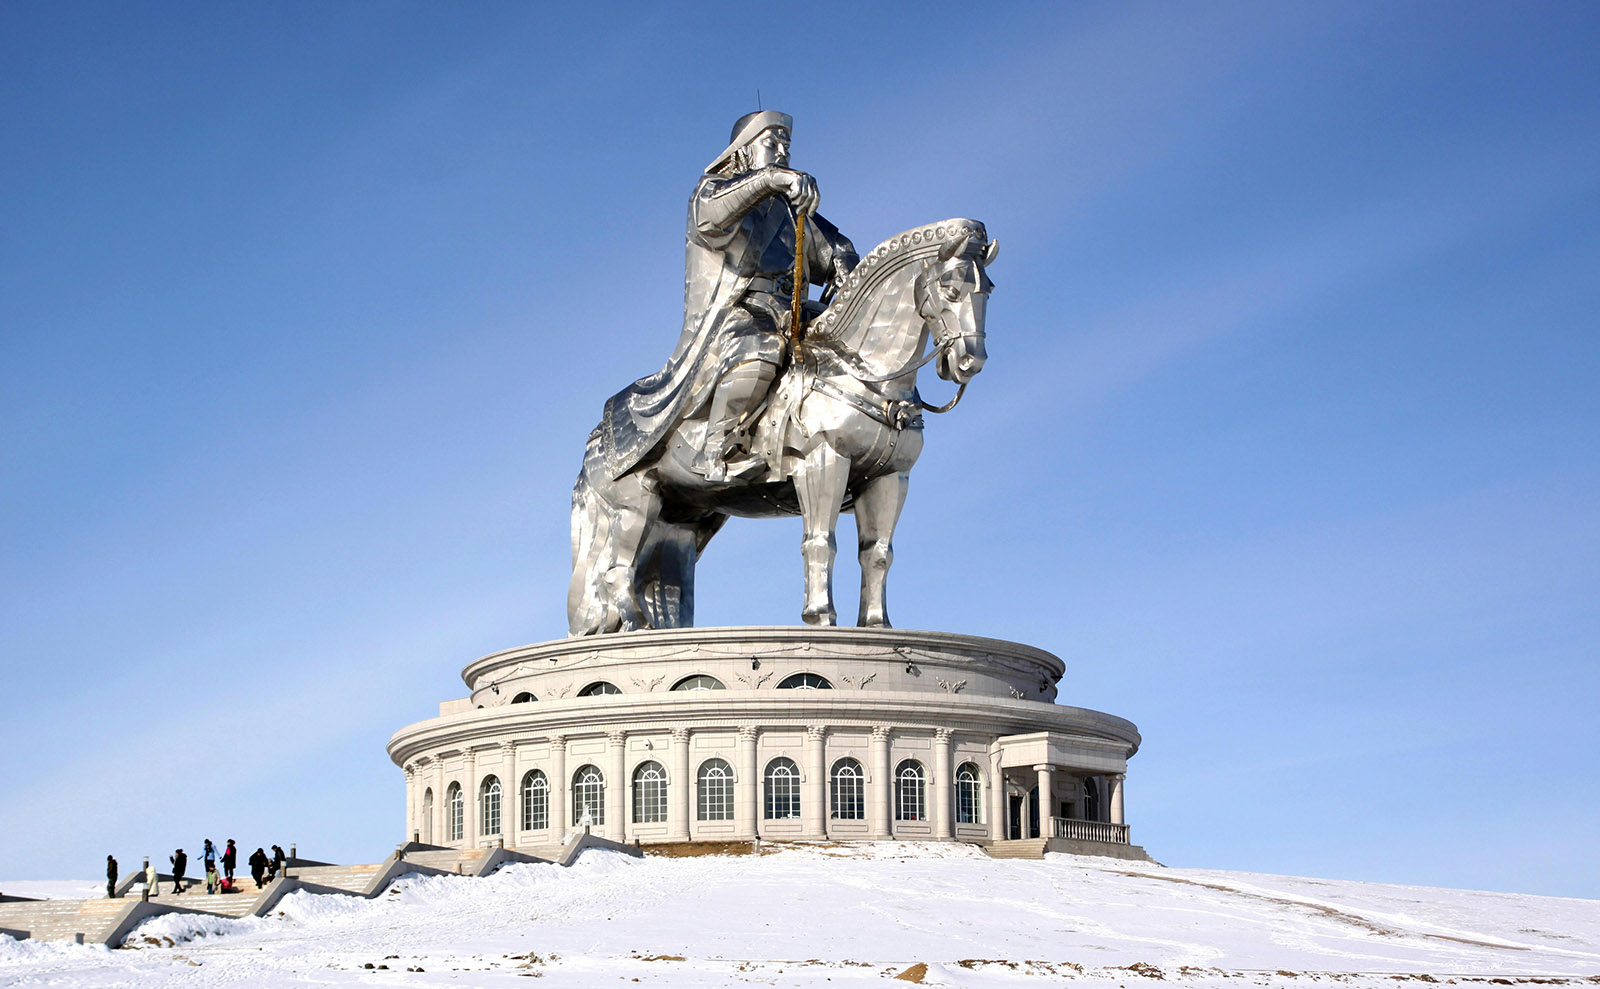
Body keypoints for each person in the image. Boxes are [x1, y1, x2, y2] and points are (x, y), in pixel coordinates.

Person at [599, 110, 858, 483]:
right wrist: (769, 179)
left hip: (795, 312)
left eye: (786, 145)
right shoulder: (712, 192)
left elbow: (836, 246)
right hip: (740, 312)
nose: (783, 151)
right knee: (759, 349)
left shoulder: (788, 209)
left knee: (849, 343)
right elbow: (712, 221)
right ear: (745, 150)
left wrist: (844, 266)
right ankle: (717, 447)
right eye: (772, 143)